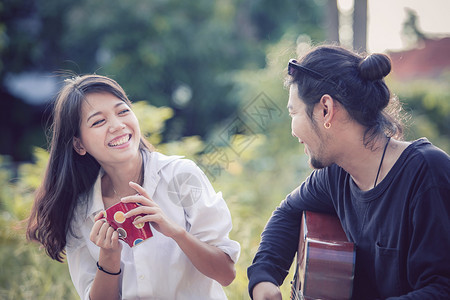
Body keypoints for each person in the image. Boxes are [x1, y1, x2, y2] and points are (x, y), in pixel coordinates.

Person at [247, 45, 450, 299]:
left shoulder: (428, 173)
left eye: (294, 113)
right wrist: (263, 278)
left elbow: (442, 289)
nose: (292, 130)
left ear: (325, 110)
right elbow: (289, 212)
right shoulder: (336, 175)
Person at [26, 74, 240, 300]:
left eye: (123, 111)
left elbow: (226, 274)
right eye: (99, 121)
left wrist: (176, 232)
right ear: (79, 144)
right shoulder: (81, 211)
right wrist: (108, 258)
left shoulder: (181, 176)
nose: (117, 126)